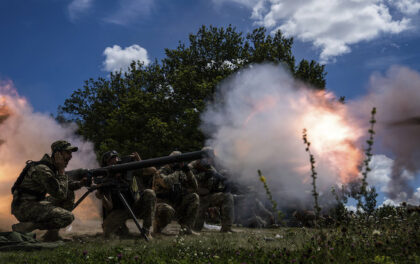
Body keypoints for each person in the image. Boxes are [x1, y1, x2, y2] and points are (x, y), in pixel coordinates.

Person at [11, 140, 89, 241]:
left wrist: (80, 184)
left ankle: (52, 235)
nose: (70, 156)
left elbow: (66, 186)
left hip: (35, 203)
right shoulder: (43, 170)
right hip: (24, 207)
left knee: (69, 193)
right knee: (67, 217)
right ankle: (28, 226)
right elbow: (60, 194)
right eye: (68, 153)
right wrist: (61, 171)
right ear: (57, 154)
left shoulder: (52, 168)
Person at [95, 150, 156, 239]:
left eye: (116, 158)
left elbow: (152, 171)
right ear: (106, 164)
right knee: (107, 232)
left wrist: (139, 161)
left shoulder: (129, 171)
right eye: (111, 160)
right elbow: (109, 207)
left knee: (149, 193)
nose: (115, 161)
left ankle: (146, 231)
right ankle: (122, 229)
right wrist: (102, 196)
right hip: (120, 210)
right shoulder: (106, 180)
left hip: (136, 206)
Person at [190, 147, 235, 233]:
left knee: (227, 197)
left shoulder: (210, 168)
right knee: (195, 228)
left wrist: (224, 183)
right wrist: (204, 175)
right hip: (195, 198)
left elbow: (216, 179)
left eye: (211, 158)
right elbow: (187, 180)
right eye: (208, 157)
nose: (210, 160)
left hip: (207, 197)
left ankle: (226, 228)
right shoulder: (192, 166)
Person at [153, 151, 200, 235]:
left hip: (176, 202)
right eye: (179, 161)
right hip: (162, 203)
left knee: (194, 197)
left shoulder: (181, 172)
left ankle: (186, 228)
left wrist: (188, 172)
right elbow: (166, 183)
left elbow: (195, 186)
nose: (180, 163)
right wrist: (177, 171)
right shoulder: (161, 171)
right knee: (167, 209)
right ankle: (158, 228)